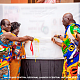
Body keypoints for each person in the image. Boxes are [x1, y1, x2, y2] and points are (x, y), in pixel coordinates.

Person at [51, 13, 80, 80]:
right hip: (68, 60)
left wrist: (78, 48)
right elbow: (65, 44)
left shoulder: (73, 27)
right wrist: (56, 41)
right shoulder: (69, 29)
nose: (62, 21)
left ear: (68, 19)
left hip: (74, 61)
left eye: (63, 19)